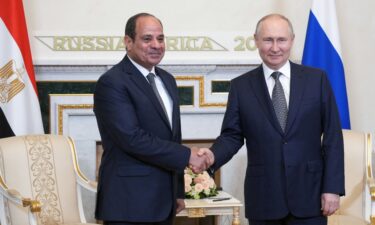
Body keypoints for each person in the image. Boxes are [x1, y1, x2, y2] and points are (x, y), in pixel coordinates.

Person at [200, 14, 344, 225]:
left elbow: (333, 136)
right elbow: (232, 136)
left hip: (310, 196)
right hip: (264, 197)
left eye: (281, 40)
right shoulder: (241, 87)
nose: (275, 47)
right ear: (256, 40)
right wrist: (212, 155)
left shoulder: (317, 80)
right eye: (268, 40)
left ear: (292, 40)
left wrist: (332, 188)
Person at [94, 13, 211, 225]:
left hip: (163, 202)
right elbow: (132, 138)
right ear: (128, 42)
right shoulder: (112, 82)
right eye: (147, 39)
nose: (156, 45)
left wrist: (177, 190)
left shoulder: (167, 80)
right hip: (128, 203)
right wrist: (187, 156)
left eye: (161, 38)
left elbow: (172, 138)